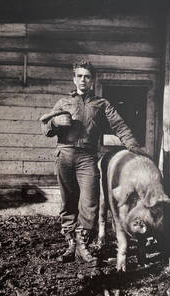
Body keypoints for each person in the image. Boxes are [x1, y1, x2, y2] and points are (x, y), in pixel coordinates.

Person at [40, 60, 147, 265]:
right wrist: (55, 123)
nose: (83, 80)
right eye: (79, 76)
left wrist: (133, 147)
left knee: (89, 202)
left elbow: (119, 126)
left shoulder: (102, 104)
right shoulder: (63, 103)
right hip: (64, 154)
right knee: (68, 201)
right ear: (74, 79)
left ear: (92, 80)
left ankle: (83, 245)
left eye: (87, 76)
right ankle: (71, 243)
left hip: (87, 158)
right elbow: (45, 128)